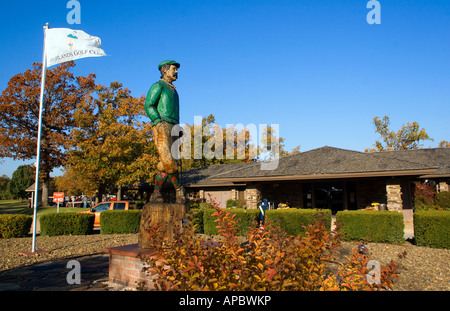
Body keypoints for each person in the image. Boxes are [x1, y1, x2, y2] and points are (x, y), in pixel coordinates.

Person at [145, 60, 185, 204]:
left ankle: (156, 194)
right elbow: (149, 105)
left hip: (173, 127)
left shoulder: (174, 91)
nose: (176, 72)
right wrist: (157, 121)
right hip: (162, 125)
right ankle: (180, 190)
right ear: (165, 70)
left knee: (164, 164)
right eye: (174, 69)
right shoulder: (158, 86)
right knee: (168, 160)